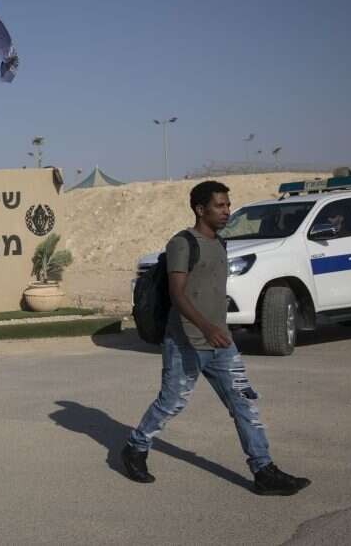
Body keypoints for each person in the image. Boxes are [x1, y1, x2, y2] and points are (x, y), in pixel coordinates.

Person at [120, 181, 311, 496]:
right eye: (219, 206)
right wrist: (206, 327)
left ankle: (263, 470)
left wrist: (219, 328)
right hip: (186, 342)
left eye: (227, 205)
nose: (226, 211)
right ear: (200, 209)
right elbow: (177, 294)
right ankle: (135, 447)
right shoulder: (182, 243)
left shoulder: (220, 244)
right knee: (171, 403)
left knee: (244, 403)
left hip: (221, 344)